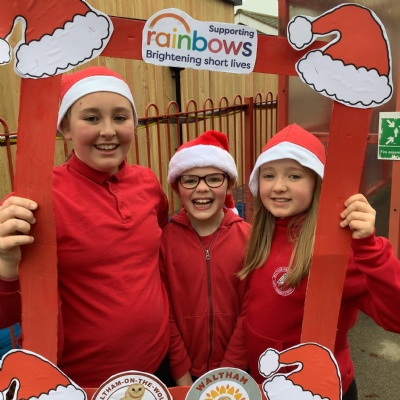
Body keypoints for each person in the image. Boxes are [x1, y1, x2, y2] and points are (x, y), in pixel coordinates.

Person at [0, 66, 171, 388]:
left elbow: (159, 250)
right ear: (65, 127)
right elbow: (5, 316)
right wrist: (6, 266)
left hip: (156, 365)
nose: (108, 131)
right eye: (91, 118)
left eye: (120, 117)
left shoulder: (148, 183)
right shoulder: (37, 200)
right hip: (78, 382)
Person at [239, 123, 400, 400]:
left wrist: (370, 248)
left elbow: (395, 316)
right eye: (269, 175)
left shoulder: (335, 248)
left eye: (294, 175)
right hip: (266, 385)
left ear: (317, 182)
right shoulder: (260, 235)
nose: (278, 186)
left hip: (319, 391)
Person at [160, 130, 251, 386]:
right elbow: (166, 316)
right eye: (190, 180)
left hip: (236, 374)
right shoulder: (164, 242)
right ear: (176, 188)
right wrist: (183, 377)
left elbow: (249, 312)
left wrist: (229, 375)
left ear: (229, 184)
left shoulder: (249, 239)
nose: (202, 188)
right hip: (182, 375)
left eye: (213, 179)